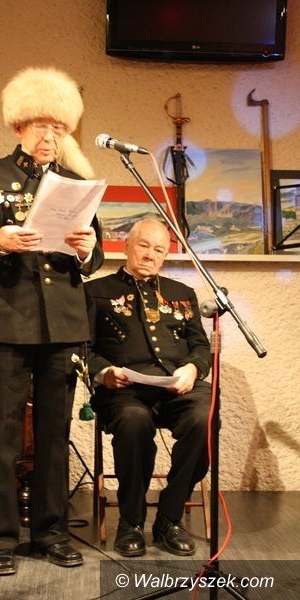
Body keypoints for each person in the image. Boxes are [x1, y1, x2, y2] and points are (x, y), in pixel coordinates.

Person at [0, 67, 104, 575]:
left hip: (63, 324)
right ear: (19, 126)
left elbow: (95, 258)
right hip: (8, 320)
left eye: (58, 128)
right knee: (2, 435)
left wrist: (86, 249)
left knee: (55, 434)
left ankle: (50, 533)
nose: (49, 136)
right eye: (41, 125)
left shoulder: (77, 184)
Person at [85, 219, 211, 557]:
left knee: (206, 416)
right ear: (126, 246)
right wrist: (103, 373)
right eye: (143, 245)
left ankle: (169, 517)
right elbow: (81, 348)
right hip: (123, 391)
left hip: (177, 388)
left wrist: (192, 368)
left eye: (159, 250)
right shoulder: (95, 291)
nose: (150, 255)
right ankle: (131, 521)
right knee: (134, 421)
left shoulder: (182, 294)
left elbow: (201, 347)